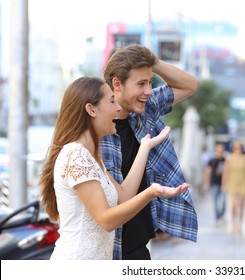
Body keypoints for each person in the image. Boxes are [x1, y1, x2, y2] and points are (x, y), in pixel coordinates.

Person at [38, 77, 189, 260]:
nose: (118, 108)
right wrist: (151, 192)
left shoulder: (91, 157)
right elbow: (106, 220)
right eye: (111, 101)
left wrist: (144, 148)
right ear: (91, 109)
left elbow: (123, 196)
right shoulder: (76, 156)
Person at [101, 44, 199, 260]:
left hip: (140, 246)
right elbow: (117, 200)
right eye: (141, 83)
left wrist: (152, 62)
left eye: (150, 82)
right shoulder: (97, 130)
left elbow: (190, 85)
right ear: (117, 84)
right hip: (109, 250)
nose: (148, 91)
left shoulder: (145, 110)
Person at [222, 140, 245, 233]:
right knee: (234, 205)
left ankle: (240, 224)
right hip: (232, 183)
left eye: (239, 147)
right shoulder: (229, 158)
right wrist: (224, 184)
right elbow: (225, 172)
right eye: (236, 147)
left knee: (242, 206)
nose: (237, 149)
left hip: (243, 183)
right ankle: (234, 223)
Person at [203, 143, 226, 226]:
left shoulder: (225, 160)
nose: (220, 152)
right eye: (218, 150)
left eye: (221, 150)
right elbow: (208, 172)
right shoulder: (212, 161)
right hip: (215, 184)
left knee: (224, 201)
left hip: (224, 185)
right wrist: (207, 183)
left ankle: (222, 216)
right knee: (215, 202)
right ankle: (217, 218)